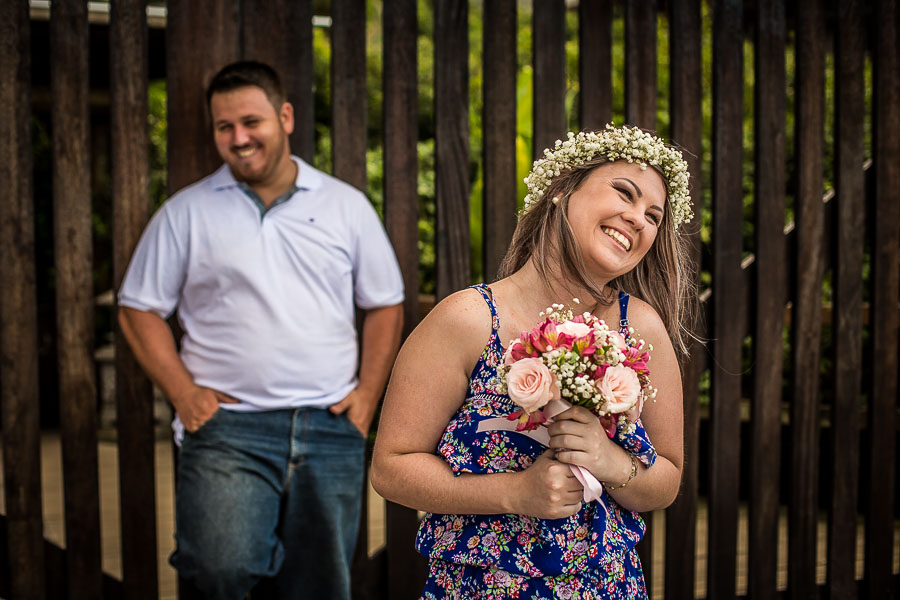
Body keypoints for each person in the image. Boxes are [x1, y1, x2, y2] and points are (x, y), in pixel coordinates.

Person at [117, 60, 404, 599]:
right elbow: (138, 308)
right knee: (218, 573)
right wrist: (184, 395)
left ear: (285, 117)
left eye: (252, 122)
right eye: (224, 127)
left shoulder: (344, 206)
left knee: (319, 586)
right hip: (228, 429)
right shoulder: (186, 212)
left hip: (328, 424)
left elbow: (384, 303)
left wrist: (367, 396)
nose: (239, 138)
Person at [371, 125, 696, 598]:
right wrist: (514, 492)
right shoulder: (467, 319)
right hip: (480, 587)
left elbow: (666, 481)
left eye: (653, 216)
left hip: (604, 586)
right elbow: (391, 468)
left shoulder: (641, 328)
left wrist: (609, 461)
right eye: (624, 193)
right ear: (562, 190)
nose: (638, 219)